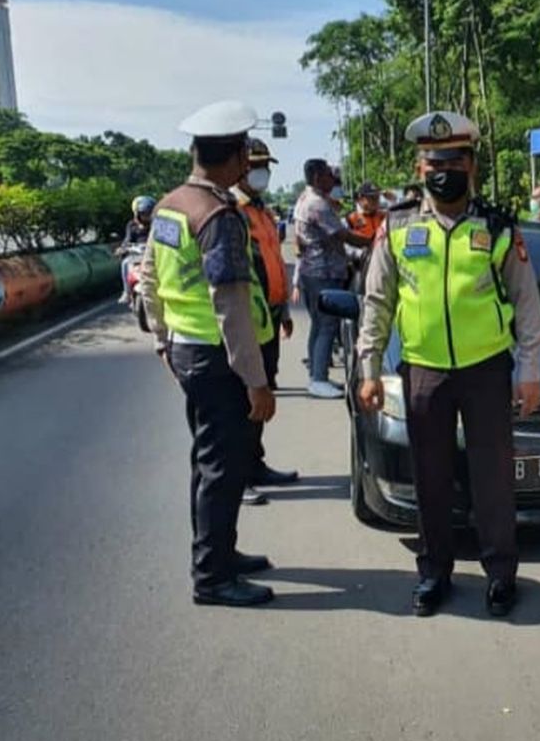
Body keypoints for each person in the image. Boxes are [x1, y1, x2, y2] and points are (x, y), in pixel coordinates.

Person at [357, 111, 540, 618]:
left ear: (472, 166)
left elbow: (527, 304)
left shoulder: (498, 227)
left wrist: (529, 370)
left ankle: (501, 574)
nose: (444, 169)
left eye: (454, 160)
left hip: (487, 370)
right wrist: (368, 365)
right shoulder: (396, 227)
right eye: (433, 161)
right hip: (422, 371)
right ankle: (433, 572)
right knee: (430, 477)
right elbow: (377, 300)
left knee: (492, 479)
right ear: (420, 169)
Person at [139, 100, 277, 607]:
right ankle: (213, 578)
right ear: (237, 156)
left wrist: (161, 339)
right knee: (224, 466)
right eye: (246, 152)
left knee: (208, 461)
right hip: (220, 359)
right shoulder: (218, 216)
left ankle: (220, 553)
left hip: (188, 350)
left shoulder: (171, 205)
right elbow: (231, 304)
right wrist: (256, 380)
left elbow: (148, 279)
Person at [232, 138, 300, 505]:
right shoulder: (232, 211)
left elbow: (274, 260)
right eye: (256, 165)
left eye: (266, 166)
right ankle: (238, 476)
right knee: (244, 399)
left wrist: (284, 309)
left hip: (270, 315)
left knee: (264, 393)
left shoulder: (263, 211)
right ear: (240, 167)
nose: (263, 172)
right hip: (246, 320)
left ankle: (254, 463)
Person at [293, 158, 372, 398]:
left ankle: (318, 375)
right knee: (327, 325)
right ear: (318, 178)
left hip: (314, 272)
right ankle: (318, 379)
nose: (333, 179)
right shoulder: (317, 204)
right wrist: (374, 241)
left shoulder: (307, 199)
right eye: (329, 175)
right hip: (322, 273)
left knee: (319, 325)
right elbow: (342, 235)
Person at [117, 195, 155, 303]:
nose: (146, 217)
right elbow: (127, 240)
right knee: (125, 263)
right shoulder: (131, 225)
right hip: (137, 255)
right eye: (143, 214)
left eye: (148, 214)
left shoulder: (156, 225)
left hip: (152, 254)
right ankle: (127, 292)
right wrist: (123, 248)